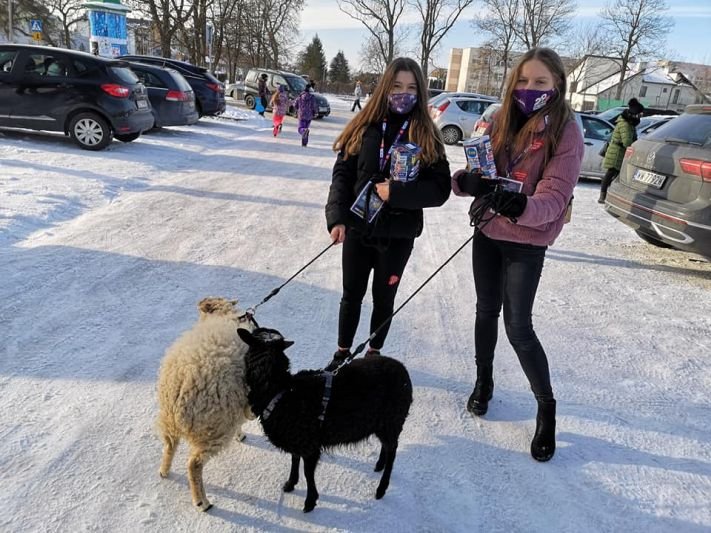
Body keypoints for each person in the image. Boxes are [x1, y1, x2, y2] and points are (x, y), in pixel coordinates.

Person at [451, 47, 584, 462]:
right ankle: (484, 381)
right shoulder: (498, 118)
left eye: (540, 82)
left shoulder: (567, 130)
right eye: (523, 81)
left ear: (557, 85)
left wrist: (520, 206)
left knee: (518, 327)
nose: (529, 89)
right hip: (489, 231)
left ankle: (547, 408)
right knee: (484, 310)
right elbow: (477, 168)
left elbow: (554, 197)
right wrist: (468, 182)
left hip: (527, 241)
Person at [325, 57, 451, 370]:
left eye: (411, 88)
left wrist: (398, 193)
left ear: (420, 93)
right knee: (351, 294)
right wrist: (337, 217)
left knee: (384, 298)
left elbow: (440, 189)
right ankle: (342, 354)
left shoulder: (426, 134)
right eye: (396, 86)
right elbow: (342, 174)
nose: (403, 94)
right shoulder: (364, 127)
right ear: (385, 88)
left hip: (398, 235)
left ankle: (373, 355)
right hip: (359, 227)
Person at [598, 98, 644, 203]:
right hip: (617, 152)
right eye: (640, 115)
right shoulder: (625, 124)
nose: (640, 117)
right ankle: (603, 196)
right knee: (611, 174)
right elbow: (627, 142)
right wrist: (635, 145)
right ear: (634, 114)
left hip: (619, 152)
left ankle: (607, 195)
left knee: (614, 175)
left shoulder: (629, 124)